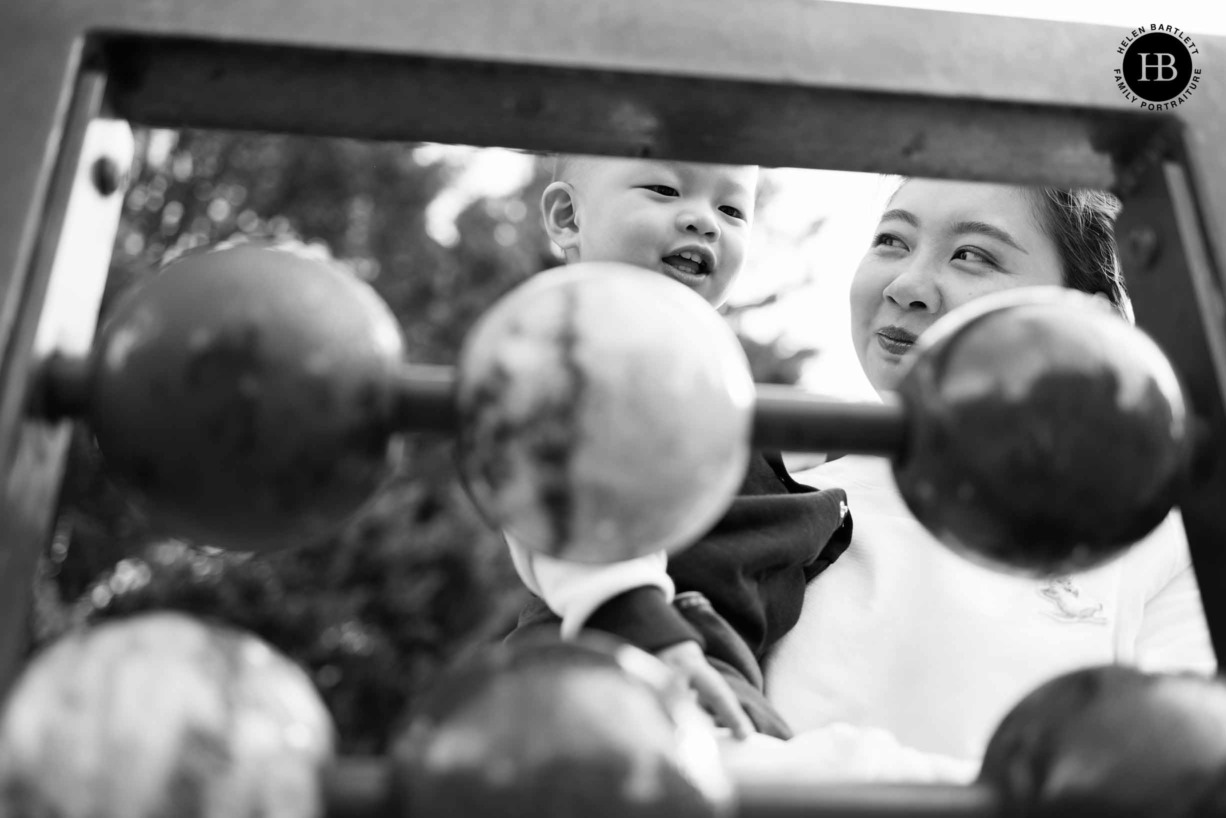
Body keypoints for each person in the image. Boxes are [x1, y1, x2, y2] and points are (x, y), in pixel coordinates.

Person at [515, 176, 1216, 779]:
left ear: (1086, 318)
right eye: (891, 241)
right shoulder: (773, 488)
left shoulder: (1160, 537)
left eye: (973, 255)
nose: (907, 285)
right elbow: (666, 728)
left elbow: (1175, 771)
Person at [505, 154, 854, 740]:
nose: (704, 221)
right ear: (568, 216)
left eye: (731, 209)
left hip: (688, 644)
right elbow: (566, 492)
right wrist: (641, 625)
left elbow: (747, 462)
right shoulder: (585, 335)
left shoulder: (690, 364)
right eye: (665, 190)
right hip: (629, 643)